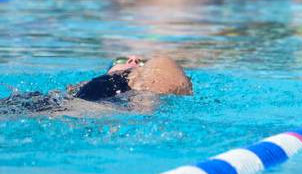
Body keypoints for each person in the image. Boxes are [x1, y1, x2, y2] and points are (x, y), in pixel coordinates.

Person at [0, 54, 192, 116]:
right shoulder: (83, 86)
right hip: (69, 106)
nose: (133, 59)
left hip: (104, 107)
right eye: (122, 58)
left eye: (142, 62)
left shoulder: (136, 79)